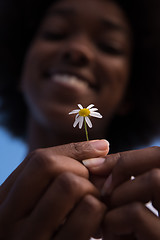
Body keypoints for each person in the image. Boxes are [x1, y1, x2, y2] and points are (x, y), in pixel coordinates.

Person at [0, 0, 160, 239]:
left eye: (109, 46)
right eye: (55, 33)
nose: (78, 50)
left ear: (130, 94)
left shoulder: (144, 219)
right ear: (19, 69)